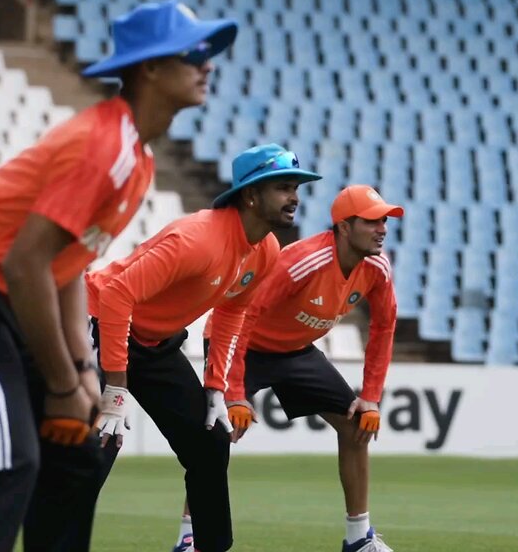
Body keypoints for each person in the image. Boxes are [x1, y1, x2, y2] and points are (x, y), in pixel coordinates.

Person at [0, 0, 237, 552]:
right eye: (194, 53)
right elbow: (25, 264)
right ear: (149, 67)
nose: (208, 64)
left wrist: (82, 371)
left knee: (77, 454)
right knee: (8, 460)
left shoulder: (137, 159)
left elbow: (67, 267)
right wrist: (62, 384)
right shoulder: (106, 148)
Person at [85, 144, 321, 552]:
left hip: (155, 345)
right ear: (250, 194)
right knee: (95, 451)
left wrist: (215, 388)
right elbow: (116, 296)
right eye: (283, 187)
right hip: (97, 326)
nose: (294, 198)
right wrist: (116, 389)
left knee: (209, 443)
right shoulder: (197, 238)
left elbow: (233, 312)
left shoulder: (266, 250)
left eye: (297, 187)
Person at [173, 184, 404, 552]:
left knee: (355, 423)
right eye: (373, 221)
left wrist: (371, 397)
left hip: (295, 349)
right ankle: (190, 537)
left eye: (385, 221)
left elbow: (384, 327)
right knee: (218, 432)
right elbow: (242, 316)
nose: (383, 230)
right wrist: (234, 394)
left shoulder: (377, 266)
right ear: (344, 227)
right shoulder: (304, 261)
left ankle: (359, 539)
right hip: (241, 343)